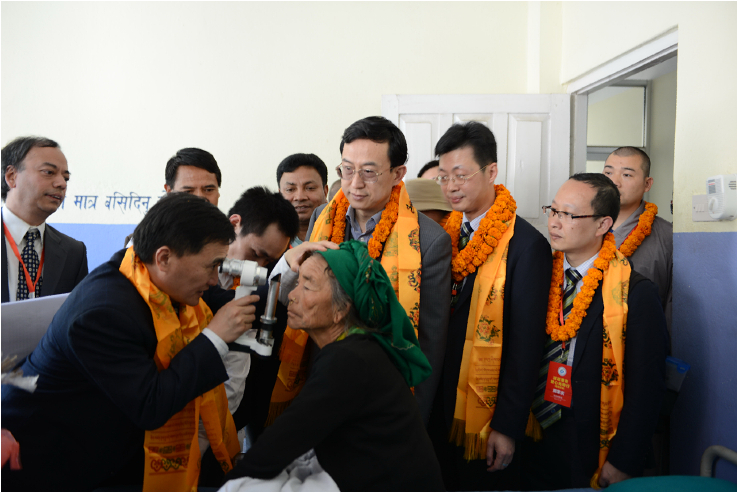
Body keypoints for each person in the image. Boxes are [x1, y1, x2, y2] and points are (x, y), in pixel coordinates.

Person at [1, 193, 259, 491]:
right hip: (45, 459)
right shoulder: (104, 313)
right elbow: (151, 405)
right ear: (164, 258)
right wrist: (215, 338)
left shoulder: (141, 271)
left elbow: (225, 299)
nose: (215, 279)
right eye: (211, 266)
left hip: (106, 447)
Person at [222, 241, 443, 491]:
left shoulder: (349, 361)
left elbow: (284, 439)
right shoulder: (356, 349)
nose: (292, 295)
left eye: (307, 286)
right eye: (297, 283)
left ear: (341, 309)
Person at [282, 116, 451, 427]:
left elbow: (429, 341)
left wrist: (413, 419)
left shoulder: (429, 241)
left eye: (369, 172)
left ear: (398, 174)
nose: (355, 183)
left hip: (382, 389)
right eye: (347, 170)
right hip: (321, 372)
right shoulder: (322, 217)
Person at [521, 173, 667, 490]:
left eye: (569, 215)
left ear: (603, 224)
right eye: (553, 210)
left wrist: (624, 460)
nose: (554, 222)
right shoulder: (537, 274)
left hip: (588, 434)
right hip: (532, 429)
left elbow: (647, 386)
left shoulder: (634, 293)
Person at [429, 122, 553, 491]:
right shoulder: (442, 236)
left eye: (461, 175)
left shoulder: (526, 246)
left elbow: (526, 345)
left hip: (488, 410)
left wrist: (507, 426)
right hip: (439, 403)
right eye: (444, 177)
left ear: (491, 171)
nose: (451, 186)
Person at [1, 136, 88, 303]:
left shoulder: (74, 252)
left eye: (66, 178)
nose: (62, 184)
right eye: (49, 172)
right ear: (12, 176)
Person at [603, 147, 672, 336]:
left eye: (626, 175)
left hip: (641, 338)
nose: (614, 182)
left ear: (647, 184)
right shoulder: (584, 225)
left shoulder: (667, 236)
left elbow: (671, 306)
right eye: (608, 173)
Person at [276, 153, 328, 247]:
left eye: (310, 188)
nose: (300, 197)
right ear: (280, 195)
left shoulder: (348, 228)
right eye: (290, 189)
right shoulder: (268, 238)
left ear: (325, 191)